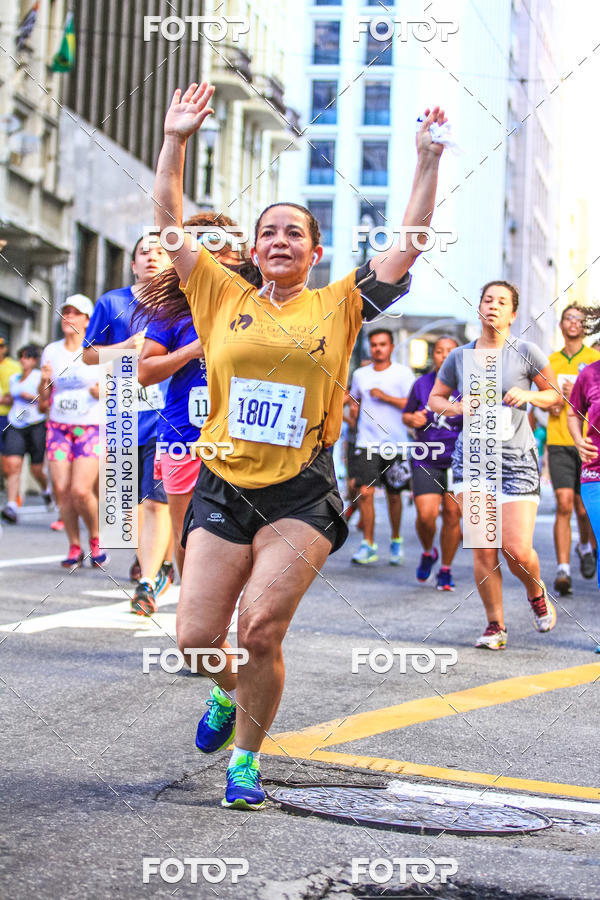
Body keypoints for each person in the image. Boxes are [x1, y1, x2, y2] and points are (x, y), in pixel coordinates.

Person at [152, 80, 447, 809]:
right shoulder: (223, 295)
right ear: (254, 249)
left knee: (259, 629)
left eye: (294, 234)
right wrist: (175, 140)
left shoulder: (340, 303)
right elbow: (168, 227)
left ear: (314, 251)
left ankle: (245, 761)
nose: (280, 241)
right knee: (195, 639)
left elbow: (406, 244)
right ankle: (226, 695)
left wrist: (426, 160)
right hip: (225, 484)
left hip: (300, 494)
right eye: (269, 233)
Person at [429, 281, 561, 650]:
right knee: (485, 548)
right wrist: (456, 407)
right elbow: (435, 398)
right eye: (488, 299)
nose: (494, 306)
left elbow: (555, 397)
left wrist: (531, 393)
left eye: (502, 302)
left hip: (517, 461)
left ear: (513, 313)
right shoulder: (459, 357)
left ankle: (536, 592)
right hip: (473, 462)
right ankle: (495, 626)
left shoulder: (526, 351)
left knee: (516, 549)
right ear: (479, 307)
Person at [138, 212, 245, 575]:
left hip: (239, 442)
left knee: (235, 536)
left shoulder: (253, 303)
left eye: (221, 246)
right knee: (187, 537)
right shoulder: (172, 310)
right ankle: (193, 613)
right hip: (184, 437)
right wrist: (189, 351)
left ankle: (220, 616)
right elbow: (144, 372)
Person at [82, 234, 175, 614]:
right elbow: (88, 355)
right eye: (144, 252)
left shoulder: (179, 306)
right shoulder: (112, 302)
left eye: (160, 252)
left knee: (157, 499)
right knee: (125, 504)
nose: (152, 257)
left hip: (168, 413)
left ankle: (147, 581)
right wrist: (127, 347)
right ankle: (157, 561)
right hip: (123, 411)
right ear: (133, 264)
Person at [38, 295, 106, 569]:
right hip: (58, 427)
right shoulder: (51, 351)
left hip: (90, 426)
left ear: (87, 320)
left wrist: (102, 391)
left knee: (80, 490)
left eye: (76, 313)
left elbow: (115, 391)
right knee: (63, 491)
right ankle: (74, 545)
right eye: (66, 312)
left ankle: (96, 538)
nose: (69, 317)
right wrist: (44, 382)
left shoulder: (97, 351)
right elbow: (43, 401)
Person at [348, 329, 414, 565]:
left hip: (396, 444)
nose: (378, 348)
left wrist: (385, 397)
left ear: (391, 347)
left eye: (382, 344)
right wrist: (352, 409)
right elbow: (353, 397)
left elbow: (412, 404)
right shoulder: (360, 374)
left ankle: (396, 541)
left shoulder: (403, 374)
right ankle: (368, 544)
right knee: (365, 493)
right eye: (374, 344)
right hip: (367, 443)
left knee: (394, 497)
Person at [546, 305, 600, 595]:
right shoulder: (550, 360)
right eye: (569, 317)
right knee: (565, 502)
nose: (574, 323)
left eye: (580, 319)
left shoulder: (594, 359)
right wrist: (558, 399)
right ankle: (563, 569)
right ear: (561, 324)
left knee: (583, 508)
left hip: (591, 446)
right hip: (559, 440)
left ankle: (585, 546)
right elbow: (545, 402)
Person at [402, 335, 462, 589]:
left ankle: (446, 570)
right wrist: (412, 419)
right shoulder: (421, 384)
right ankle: (429, 551)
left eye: (450, 350)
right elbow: (407, 414)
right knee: (426, 516)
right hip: (426, 457)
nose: (445, 355)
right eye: (439, 350)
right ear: (433, 355)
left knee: (451, 515)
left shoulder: (471, 384)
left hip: (459, 459)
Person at [1, 345, 51, 522]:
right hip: (16, 423)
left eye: (28, 357)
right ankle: (12, 506)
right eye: (22, 357)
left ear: (34, 360)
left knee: (36, 469)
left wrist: (28, 396)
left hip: (35, 424)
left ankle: (46, 491)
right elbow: (10, 396)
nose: (24, 360)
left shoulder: (40, 377)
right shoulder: (15, 378)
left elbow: (44, 400)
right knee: (13, 464)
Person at [0, 338, 21, 460]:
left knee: (6, 455)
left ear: (4, 349)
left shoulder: (14, 366)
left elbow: (14, 395)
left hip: (7, 416)